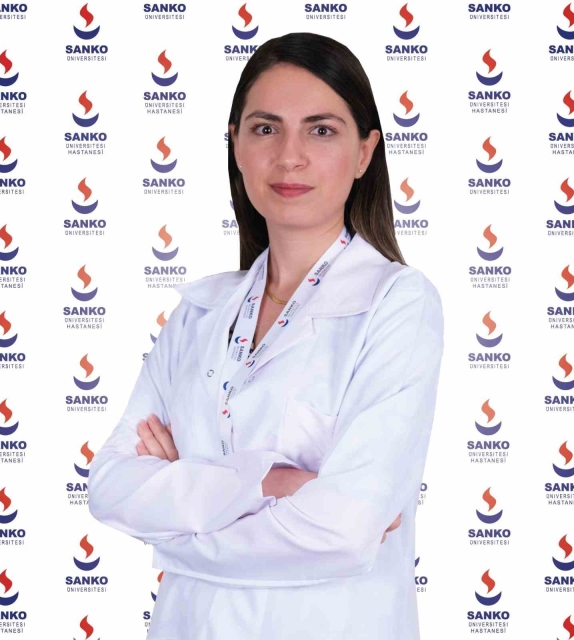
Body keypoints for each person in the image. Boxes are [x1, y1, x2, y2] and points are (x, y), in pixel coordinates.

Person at [87, 32, 445, 640]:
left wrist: (177, 517)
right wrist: (271, 483)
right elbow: (111, 488)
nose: (289, 156)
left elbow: (344, 530)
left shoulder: (397, 305)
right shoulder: (199, 314)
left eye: (321, 130)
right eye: (265, 128)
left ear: (365, 152)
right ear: (235, 146)